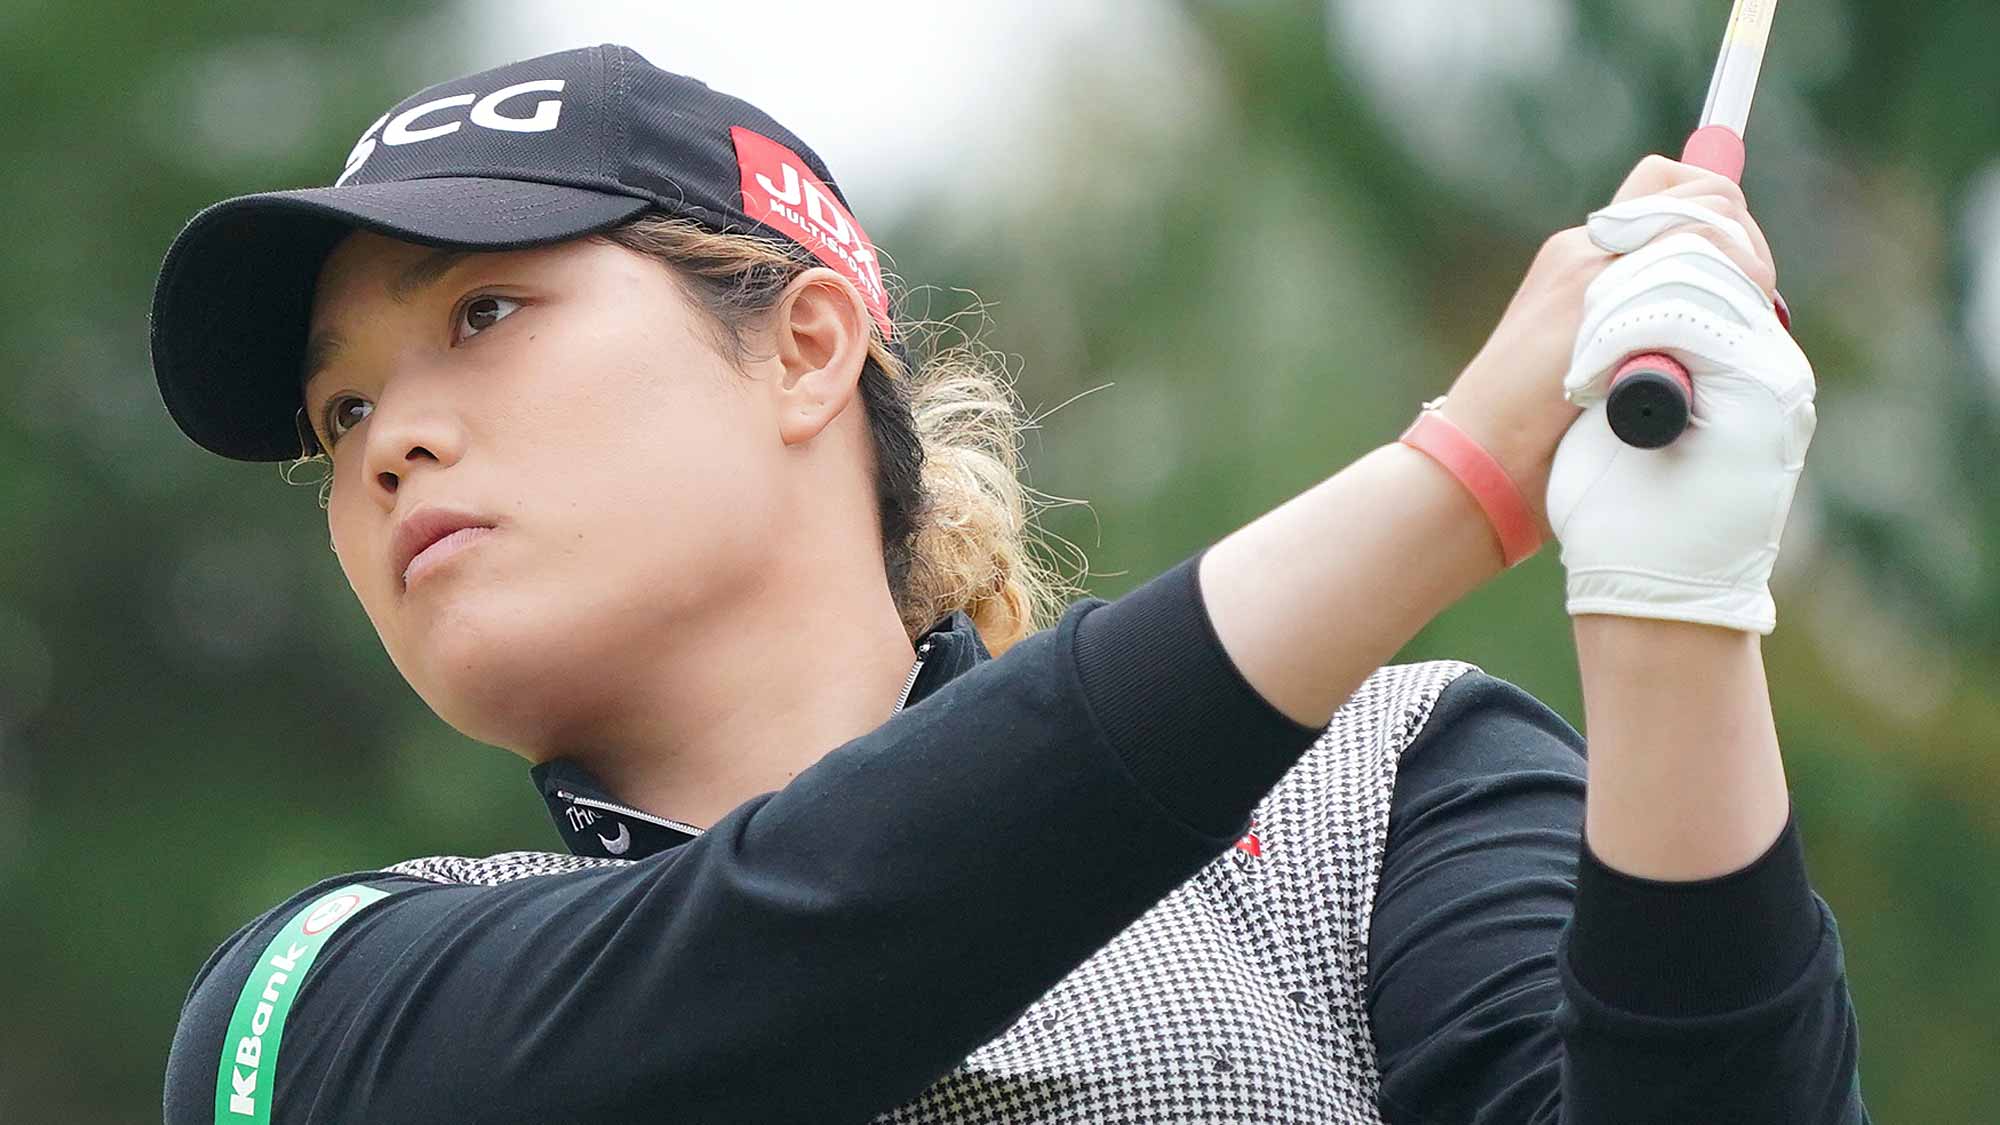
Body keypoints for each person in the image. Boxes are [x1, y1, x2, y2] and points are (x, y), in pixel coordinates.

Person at [152, 43, 1865, 1125]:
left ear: (807, 347)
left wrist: (1671, 601)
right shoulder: (321, 994)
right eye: (344, 407)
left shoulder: (1379, 789)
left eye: (482, 316)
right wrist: (1461, 483)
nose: (391, 445)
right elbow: (778, 960)